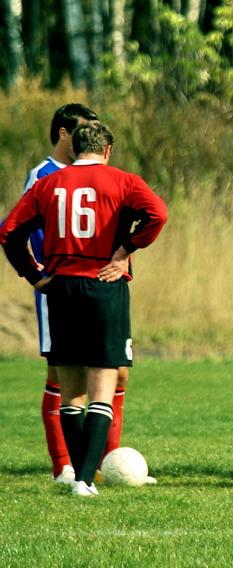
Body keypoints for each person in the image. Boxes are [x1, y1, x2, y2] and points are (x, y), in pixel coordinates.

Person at [0, 122, 168, 496]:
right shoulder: (124, 181)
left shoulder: (47, 185)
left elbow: (8, 232)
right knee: (103, 385)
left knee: (71, 391)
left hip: (60, 289)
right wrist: (124, 252)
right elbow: (158, 214)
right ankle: (86, 480)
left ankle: (78, 475)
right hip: (103, 284)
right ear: (107, 150)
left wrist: (34, 275)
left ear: (74, 148)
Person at [19, 103, 126, 485]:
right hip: (61, 286)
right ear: (65, 134)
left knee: (118, 373)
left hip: (101, 286)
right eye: (82, 130)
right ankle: (64, 466)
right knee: (63, 377)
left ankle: (107, 462)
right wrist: (40, 274)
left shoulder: (98, 175)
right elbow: (23, 228)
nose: (87, 137)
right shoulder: (43, 176)